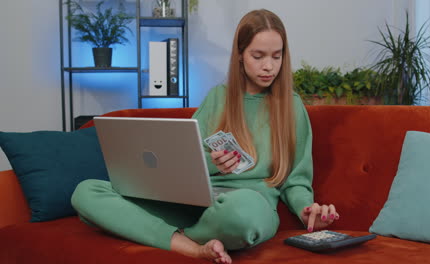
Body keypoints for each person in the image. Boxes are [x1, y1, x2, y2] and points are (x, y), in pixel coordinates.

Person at [71, 9, 339, 264]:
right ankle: (192, 247)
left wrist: (308, 212)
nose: (268, 66)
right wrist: (213, 162)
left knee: (242, 213)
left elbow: (297, 180)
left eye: (276, 56)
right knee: (87, 192)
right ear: (240, 55)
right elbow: (184, 158)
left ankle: (156, 232)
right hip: (197, 200)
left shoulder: (291, 107)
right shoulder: (217, 97)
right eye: (258, 56)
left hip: (246, 207)